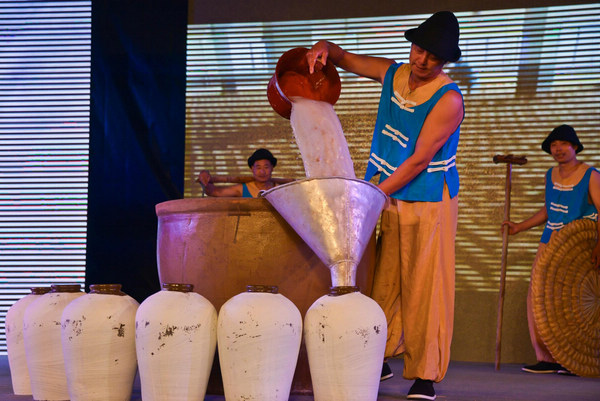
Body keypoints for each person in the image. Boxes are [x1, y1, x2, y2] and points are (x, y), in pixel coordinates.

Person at [307, 11, 464, 400]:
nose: (422, 60)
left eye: (433, 56)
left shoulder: (448, 100)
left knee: (424, 285)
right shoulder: (393, 74)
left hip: (427, 199)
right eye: (420, 49)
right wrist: (324, 48)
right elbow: (345, 58)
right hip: (387, 192)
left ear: (444, 62)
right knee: (384, 276)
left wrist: (372, 196)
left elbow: (418, 160)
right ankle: (380, 355)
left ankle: (425, 373)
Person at [502, 124, 600, 375]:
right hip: (550, 243)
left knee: (574, 303)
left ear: (574, 146)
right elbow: (549, 210)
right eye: (553, 145)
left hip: (577, 246)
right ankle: (548, 358)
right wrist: (519, 227)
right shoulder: (550, 174)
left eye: (563, 144)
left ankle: (573, 359)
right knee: (539, 299)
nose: (557, 149)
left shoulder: (591, 175)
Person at [197, 148, 279, 197]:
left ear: (272, 168)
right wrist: (204, 176)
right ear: (252, 168)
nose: (262, 171)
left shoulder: (280, 190)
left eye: (266, 167)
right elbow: (214, 192)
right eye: (258, 167)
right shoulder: (242, 189)